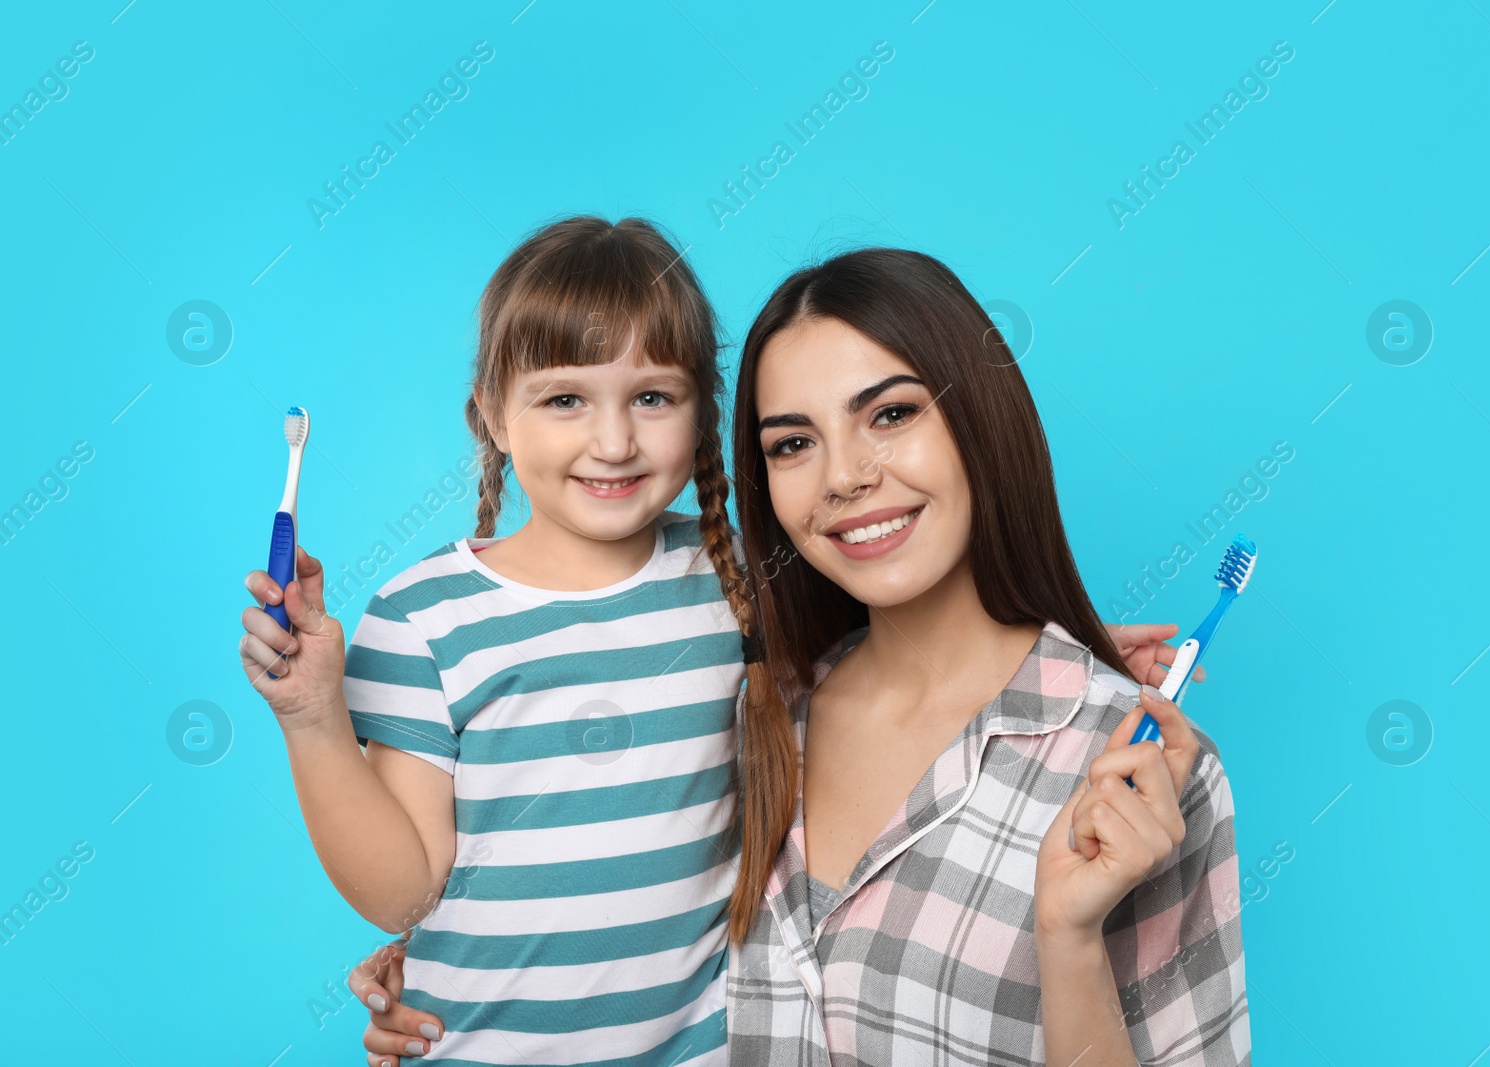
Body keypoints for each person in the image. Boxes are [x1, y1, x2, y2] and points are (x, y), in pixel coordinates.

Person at [347, 246, 1245, 1066]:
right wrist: (456, 967)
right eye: (792, 443)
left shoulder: (1131, 773)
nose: (844, 475)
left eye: (890, 413)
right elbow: (595, 873)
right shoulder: (752, 705)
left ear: (982, 419)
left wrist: (1070, 941)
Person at [238, 215, 760, 1067]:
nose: (614, 441)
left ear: (703, 408)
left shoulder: (736, 583)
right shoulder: (423, 618)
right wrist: (310, 715)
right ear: (494, 416)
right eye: (564, 400)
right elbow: (404, 889)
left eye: (653, 396)